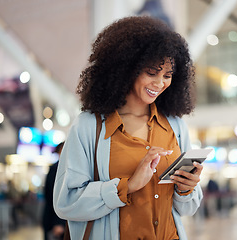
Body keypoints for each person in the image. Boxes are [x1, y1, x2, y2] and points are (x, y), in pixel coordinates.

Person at [53, 16, 203, 240]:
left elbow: (187, 209)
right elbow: (66, 203)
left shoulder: (175, 126)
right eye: (151, 73)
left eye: (168, 75)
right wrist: (127, 186)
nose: (160, 83)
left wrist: (186, 188)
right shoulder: (88, 127)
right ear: (127, 68)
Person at [42, 142, 66, 240]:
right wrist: (58, 222)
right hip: (55, 220)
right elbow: (53, 197)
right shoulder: (56, 169)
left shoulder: (64, 168)